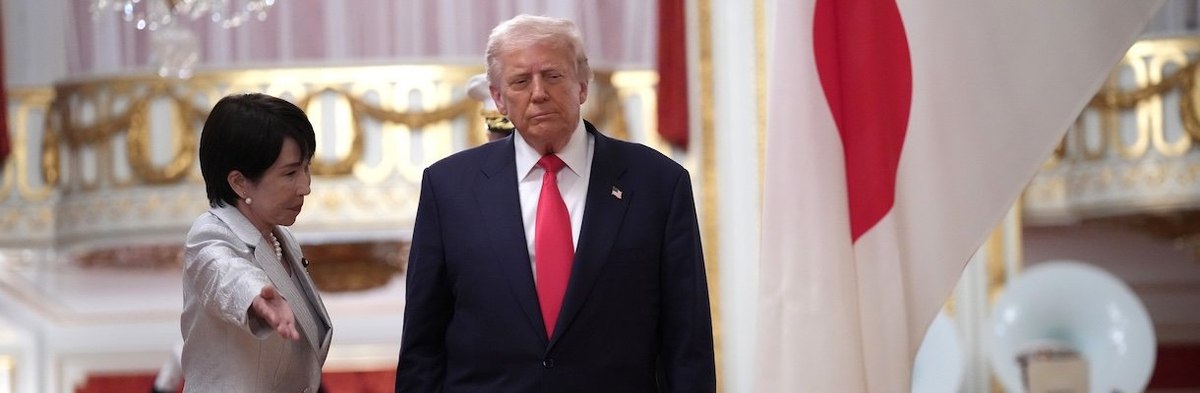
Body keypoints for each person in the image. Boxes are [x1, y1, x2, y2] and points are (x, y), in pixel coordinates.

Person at [395, 14, 715, 392]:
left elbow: (687, 340)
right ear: (498, 98)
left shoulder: (657, 183)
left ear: (582, 85)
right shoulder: (448, 188)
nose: (538, 93)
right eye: (519, 81)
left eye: (553, 75)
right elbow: (422, 344)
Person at [182, 93, 332, 392]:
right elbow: (225, 273)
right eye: (290, 173)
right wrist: (254, 297)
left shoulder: (282, 239)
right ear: (239, 182)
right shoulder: (210, 233)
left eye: (306, 168)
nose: (306, 186)